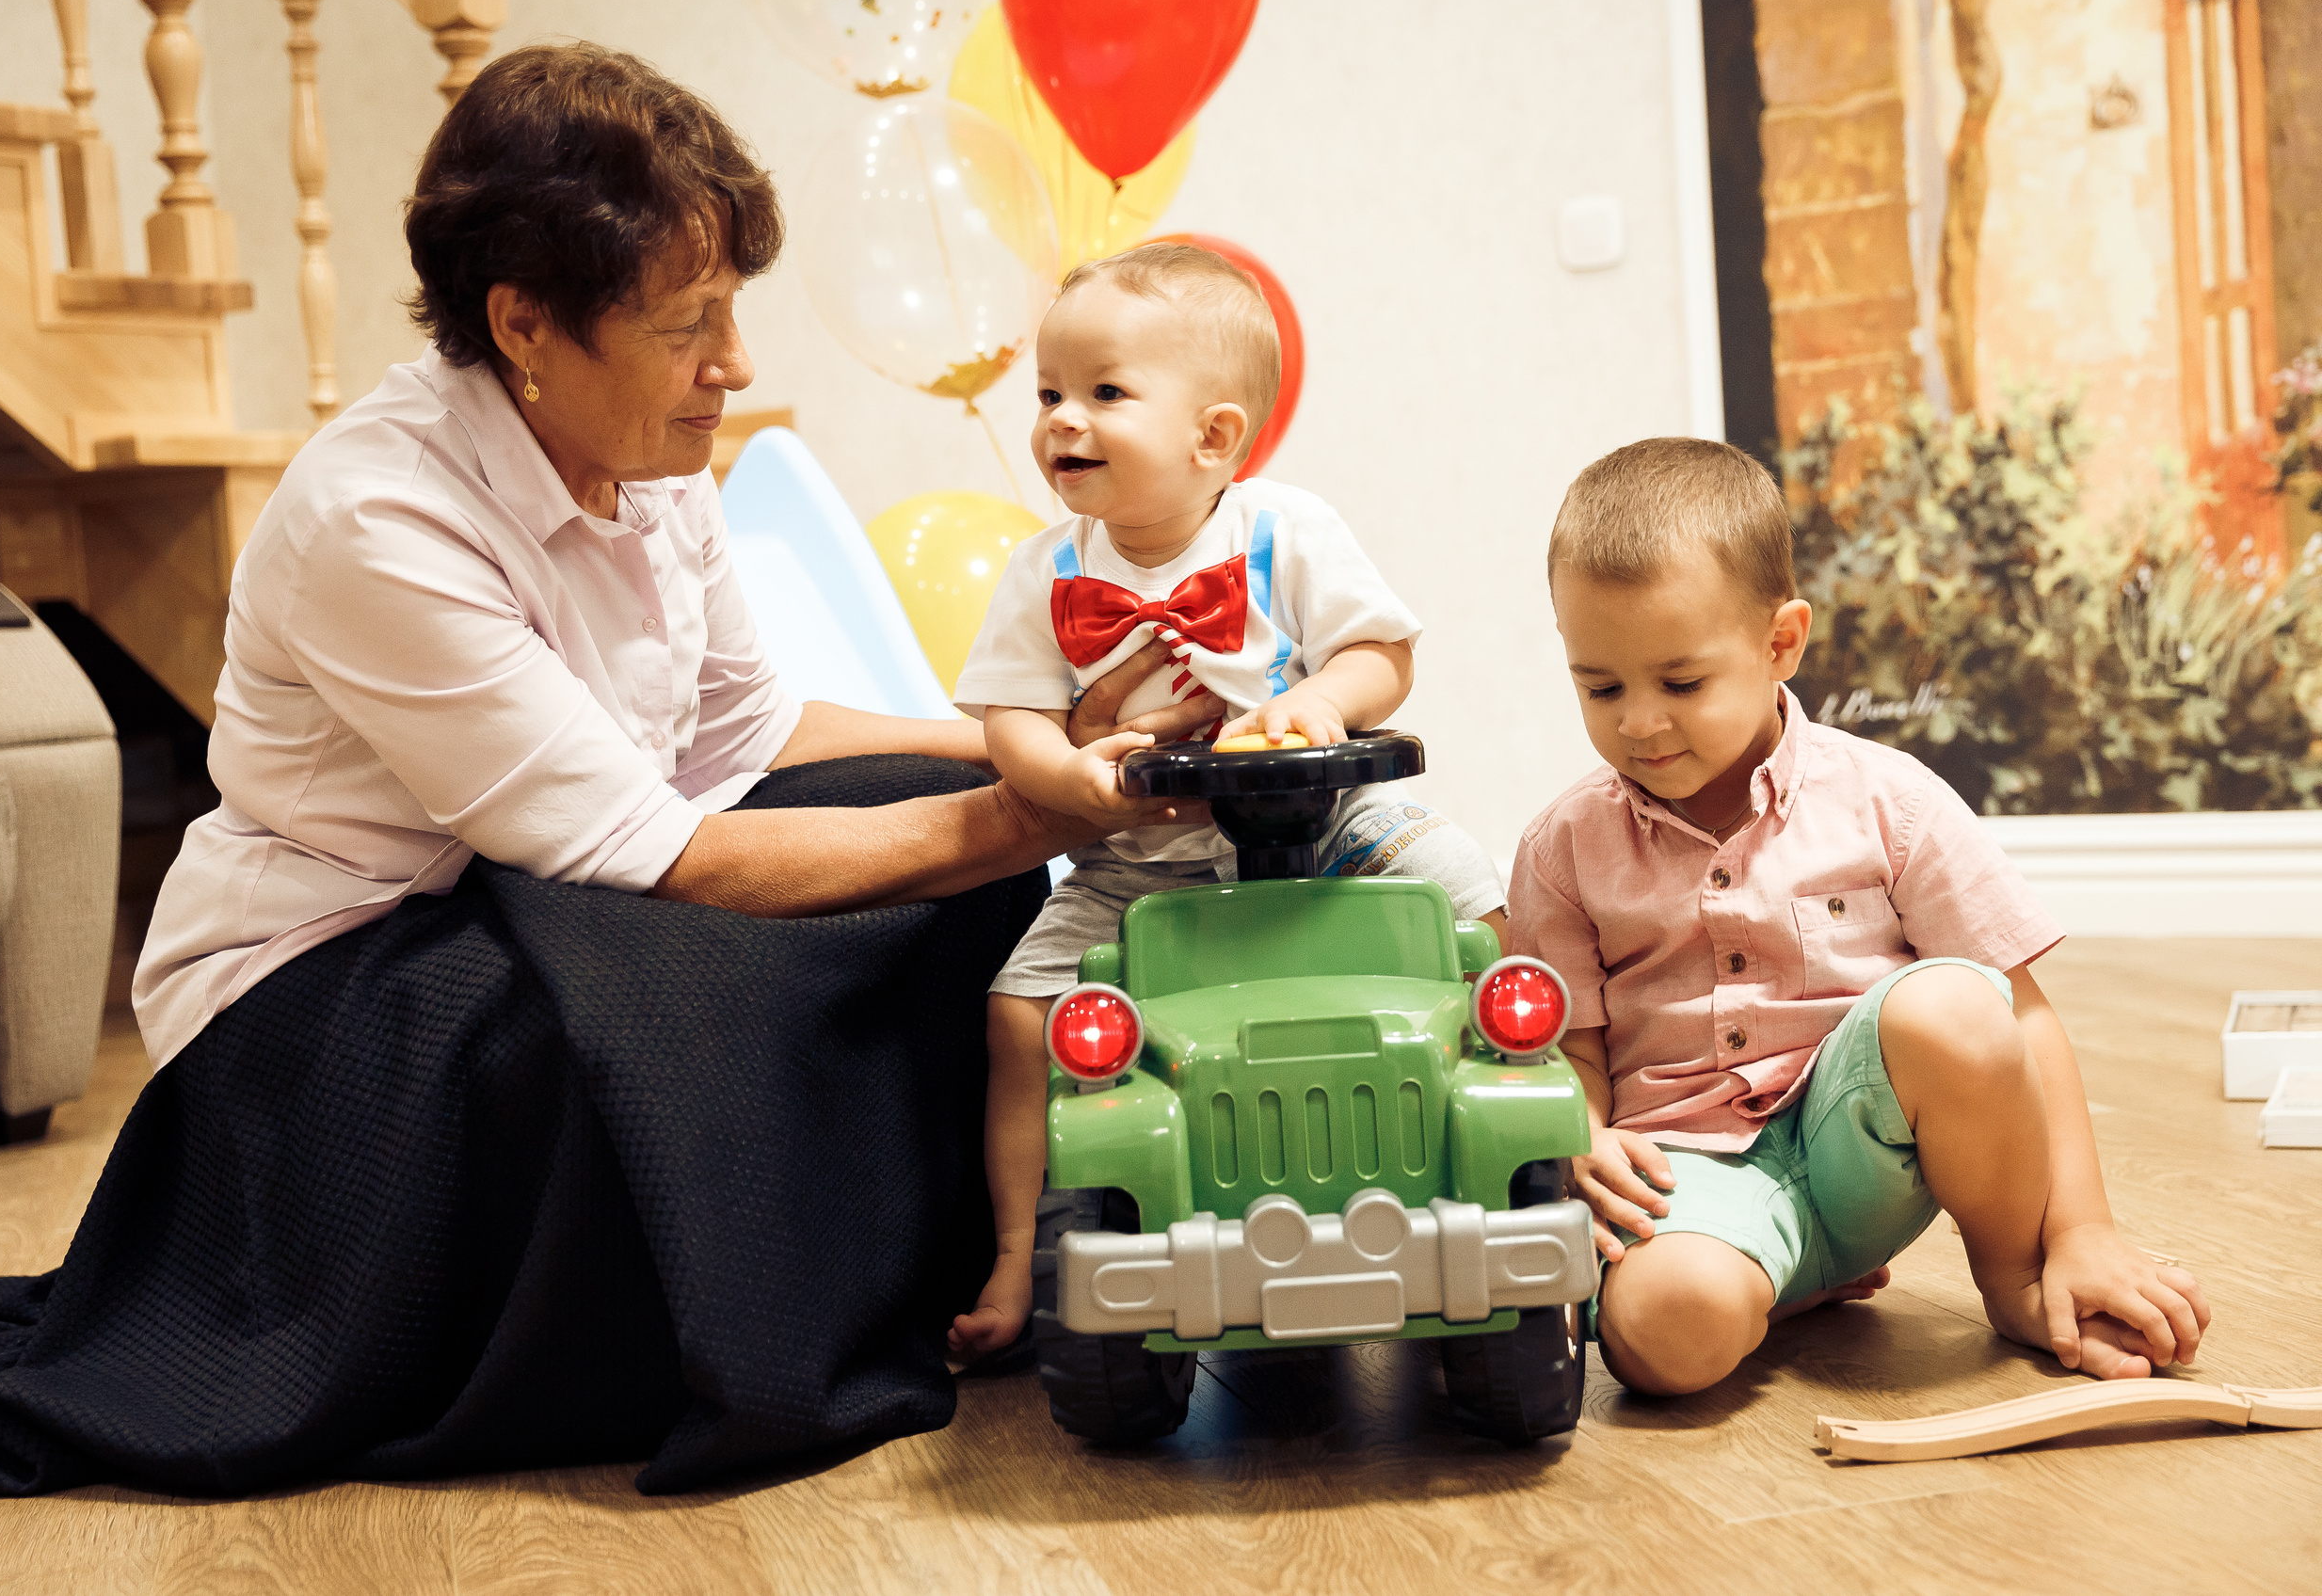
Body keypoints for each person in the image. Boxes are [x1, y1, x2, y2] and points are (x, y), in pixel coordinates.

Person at [0, 43, 1203, 1500]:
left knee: (956, 877)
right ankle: (744, 1346)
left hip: (548, 897)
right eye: (687, 321)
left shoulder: (654, 455)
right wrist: (1017, 805)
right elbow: (666, 857)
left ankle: (936, 1274)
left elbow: (753, 737)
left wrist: (1034, 734)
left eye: (732, 309)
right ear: (525, 323)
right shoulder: (377, 521)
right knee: (746, 943)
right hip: (325, 995)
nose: (736, 361)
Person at [1507, 436, 2212, 1394]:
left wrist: (2081, 1229)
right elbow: (1569, 1051)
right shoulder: (1562, 848)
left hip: (1863, 1145)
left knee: (1959, 1007)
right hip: (1688, 1173)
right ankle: (1776, 1276)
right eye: (1600, 687)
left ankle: (2011, 1278)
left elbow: (2023, 1017)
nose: (1637, 721)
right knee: (1663, 1341)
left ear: (1779, 642)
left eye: (1680, 683)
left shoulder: (1891, 801)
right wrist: (1583, 1134)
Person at [944, 245, 1507, 1357]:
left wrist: (1319, 704)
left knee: (1473, 898)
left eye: (1104, 393)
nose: (1063, 419)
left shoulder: (1281, 530)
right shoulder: (1044, 572)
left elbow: (1383, 652)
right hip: (1133, 864)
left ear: (1213, 437)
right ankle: (1020, 1253)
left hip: (1323, 828)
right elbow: (1005, 719)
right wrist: (1066, 777)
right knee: (1017, 1016)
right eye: (1050, 393)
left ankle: (1504, 1132)